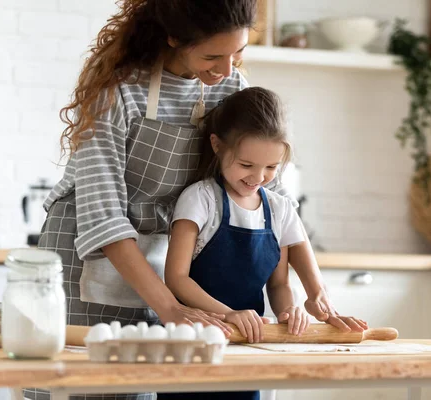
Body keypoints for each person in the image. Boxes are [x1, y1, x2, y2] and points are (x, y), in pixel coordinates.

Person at [33, 0, 366, 398]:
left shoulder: (229, 86)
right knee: (88, 387)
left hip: (164, 255)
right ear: (174, 38)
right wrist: (170, 307)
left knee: (145, 385)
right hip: (90, 253)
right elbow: (104, 216)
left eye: (238, 53)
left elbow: (273, 203)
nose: (227, 69)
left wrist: (316, 294)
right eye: (213, 55)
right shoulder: (119, 91)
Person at [161, 87, 312, 400]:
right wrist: (228, 314)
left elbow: (279, 284)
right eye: (246, 165)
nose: (258, 176)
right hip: (193, 349)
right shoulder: (200, 199)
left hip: (246, 350)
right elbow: (176, 278)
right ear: (217, 145)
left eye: (271, 167)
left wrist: (289, 311)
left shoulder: (279, 210)